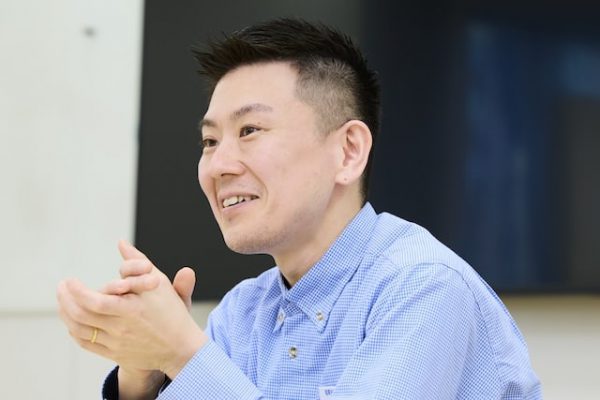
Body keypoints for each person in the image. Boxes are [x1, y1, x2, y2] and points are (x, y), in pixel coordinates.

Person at [57, 18, 542, 399]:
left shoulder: (423, 287)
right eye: (209, 141)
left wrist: (181, 353)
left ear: (348, 151)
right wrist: (144, 373)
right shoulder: (242, 312)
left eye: (250, 131)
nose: (218, 165)